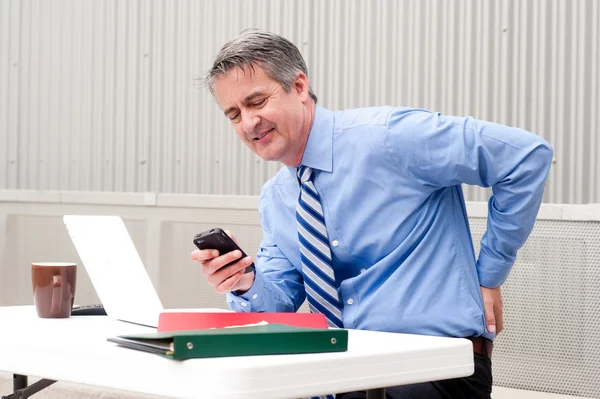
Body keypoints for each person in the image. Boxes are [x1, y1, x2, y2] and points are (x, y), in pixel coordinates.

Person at [191, 28, 553, 399]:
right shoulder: (277, 198)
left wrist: (489, 273)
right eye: (233, 114)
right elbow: (280, 300)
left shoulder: (390, 137)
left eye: (256, 101)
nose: (248, 123)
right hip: (339, 375)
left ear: (299, 87)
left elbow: (525, 157)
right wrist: (243, 280)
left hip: (430, 371)